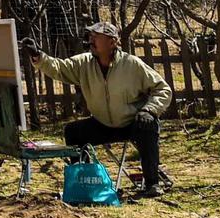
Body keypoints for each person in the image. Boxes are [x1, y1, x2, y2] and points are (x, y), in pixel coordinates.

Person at [23, 21, 171, 198]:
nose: (91, 41)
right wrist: (38, 57)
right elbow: (59, 68)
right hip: (103, 124)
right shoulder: (84, 63)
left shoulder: (132, 65)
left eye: (96, 37)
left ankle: (152, 184)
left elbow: (163, 89)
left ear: (112, 42)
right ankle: (83, 182)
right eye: (90, 37)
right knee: (73, 132)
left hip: (132, 122)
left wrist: (150, 110)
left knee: (149, 125)